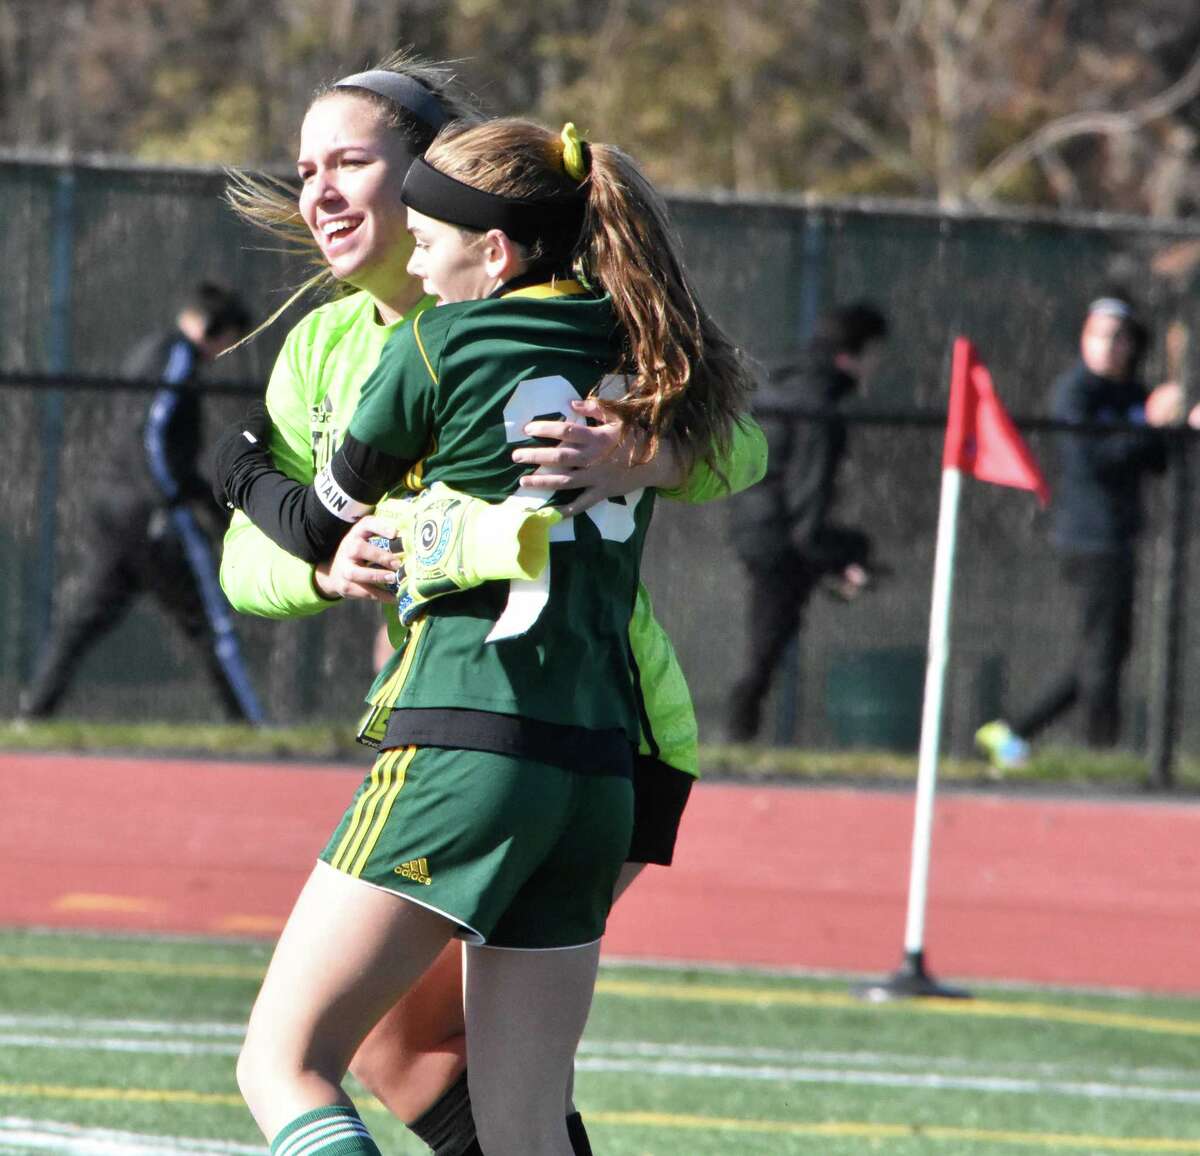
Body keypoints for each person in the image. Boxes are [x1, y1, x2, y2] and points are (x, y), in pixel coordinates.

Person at [219, 54, 765, 1156]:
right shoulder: (328, 345)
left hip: (538, 714)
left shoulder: (482, 321)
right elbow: (250, 562)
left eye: (349, 163)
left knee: (304, 1053)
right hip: (568, 736)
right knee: (412, 1053)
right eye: (304, 168)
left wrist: (644, 456)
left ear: (437, 180)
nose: (316, 190)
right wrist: (321, 567)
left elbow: (740, 443)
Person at [18, 281, 262, 724]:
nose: (226, 351)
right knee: (212, 623)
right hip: (149, 514)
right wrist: (166, 501)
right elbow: (151, 434)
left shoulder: (149, 351)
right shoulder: (176, 357)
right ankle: (251, 725)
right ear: (213, 329)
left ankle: (33, 714)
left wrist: (208, 505)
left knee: (82, 620)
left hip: (115, 510)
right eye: (229, 340)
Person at [976, 293, 1173, 769]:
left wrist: (1175, 425)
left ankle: (1012, 733)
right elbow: (1097, 459)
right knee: (1103, 654)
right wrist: (1149, 422)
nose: (1108, 346)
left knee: (1105, 652)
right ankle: (1099, 755)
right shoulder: (1075, 392)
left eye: (1117, 338)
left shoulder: (1133, 394)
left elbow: (1156, 462)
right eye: (1098, 335)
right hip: (1088, 539)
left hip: (1122, 537)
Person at [725, 301, 889, 742]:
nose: (877, 367)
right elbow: (807, 511)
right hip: (777, 535)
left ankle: (740, 732)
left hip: (754, 524)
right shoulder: (820, 408)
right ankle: (736, 736)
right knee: (766, 643)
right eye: (875, 355)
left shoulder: (785, 384)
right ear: (852, 355)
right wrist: (847, 556)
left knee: (771, 635)